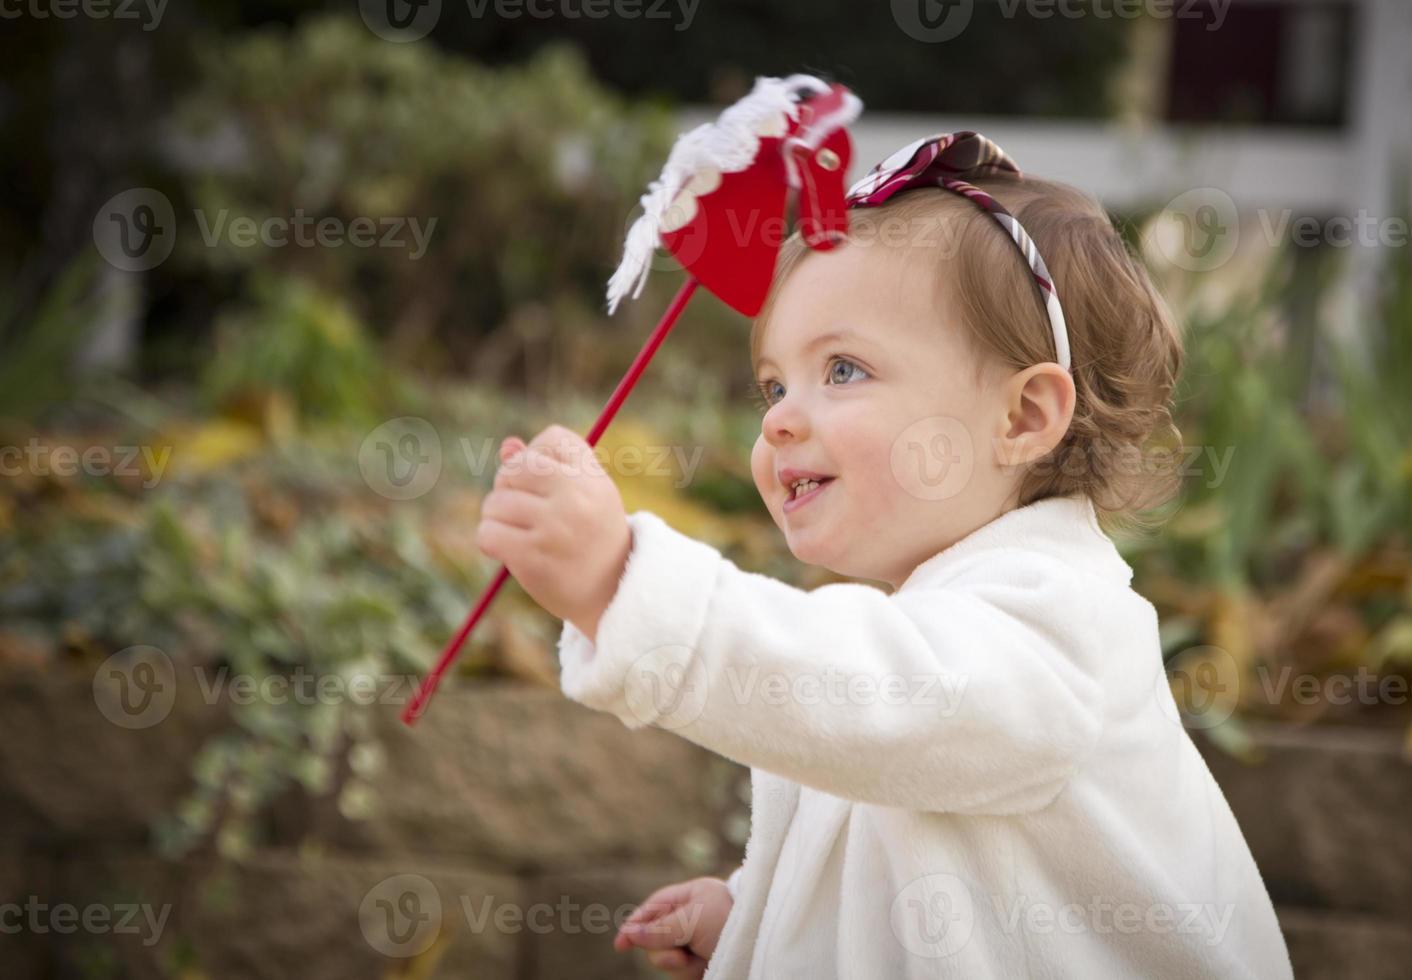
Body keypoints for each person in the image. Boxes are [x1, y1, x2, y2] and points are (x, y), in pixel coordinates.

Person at [476, 131, 1295, 979]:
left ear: (1018, 419)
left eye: (842, 369)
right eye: (773, 384)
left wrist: (620, 581)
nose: (779, 418)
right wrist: (755, 916)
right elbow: (875, 802)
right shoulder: (931, 620)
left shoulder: (1058, 624)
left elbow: (859, 694)